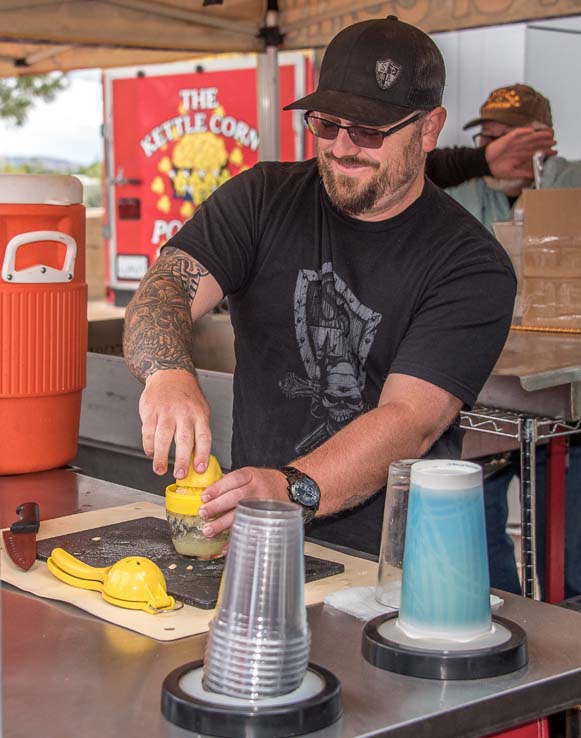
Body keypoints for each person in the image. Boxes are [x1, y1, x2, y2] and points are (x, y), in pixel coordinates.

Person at [123, 15, 516, 556]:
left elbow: (409, 422)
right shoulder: (261, 199)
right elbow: (166, 286)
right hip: (259, 535)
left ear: (429, 128)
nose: (342, 146)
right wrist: (166, 373)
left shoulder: (470, 263)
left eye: (369, 130)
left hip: (396, 558)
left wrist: (290, 489)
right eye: (326, 124)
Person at [446, 83, 581, 598]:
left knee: (566, 542)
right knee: (477, 530)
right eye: (489, 138)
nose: (498, 147)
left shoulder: (569, 183)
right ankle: (504, 613)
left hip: (564, 393)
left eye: (511, 136)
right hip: (485, 390)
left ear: (543, 139)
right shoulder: (464, 192)